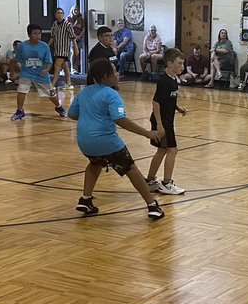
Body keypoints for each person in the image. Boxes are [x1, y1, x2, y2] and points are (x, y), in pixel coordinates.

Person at [68, 58, 164, 221]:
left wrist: (91, 118)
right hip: (106, 142)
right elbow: (120, 120)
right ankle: (152, 205)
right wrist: (147, 133)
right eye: (114, 71)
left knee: (95, 164)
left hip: (85, 142)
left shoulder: (83, 92)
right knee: (131, 169)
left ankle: (85, 200)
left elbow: (72, 114)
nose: (117, 74)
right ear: (105, 76)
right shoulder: (111, 94)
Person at [146, 48, 188, 196]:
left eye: (183, 63)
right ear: (169, 64)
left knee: (162, 150)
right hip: (162, 121)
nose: (182, 66)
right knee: (172, 150)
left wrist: (178, 108)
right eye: (179, 63)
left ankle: (150, 181)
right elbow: (156, 102)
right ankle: (167, 183)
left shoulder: (174, 80)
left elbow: (169, 100)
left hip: (167, 119)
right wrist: (159, 124)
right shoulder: (164, 82)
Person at [11, 24, 63, 121]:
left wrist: (46, 70)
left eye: (39, 34)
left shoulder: (45, 46)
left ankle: (59, 106)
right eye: (35, 34)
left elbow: (49, 62)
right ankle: (20, 111)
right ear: (29, 34)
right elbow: (15, 60)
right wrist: (11, 72)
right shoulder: (22, 46)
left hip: (41, 74)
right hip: (26, 73)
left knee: (51, 93)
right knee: (21, 90)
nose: (38, 36)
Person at [50, 8, 76, 90]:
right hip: (57, 49)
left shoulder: (68, 24)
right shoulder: (54, 24)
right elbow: (52, 37)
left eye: (61, 13)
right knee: (65, 67)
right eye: (58, 13)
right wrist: (47, 45)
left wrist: (76, 47)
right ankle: (68, 83)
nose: (60, 14)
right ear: (55, 15)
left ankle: (52, 85)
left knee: (57, 67)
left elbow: (72, 37)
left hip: (64, 49)